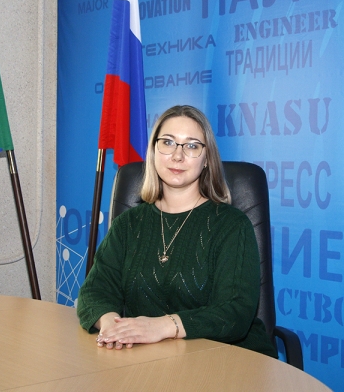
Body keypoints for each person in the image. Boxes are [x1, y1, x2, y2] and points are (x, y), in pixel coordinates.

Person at [77, 105, 277, 358]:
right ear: (153, 151)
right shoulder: (128, 224)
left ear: (207, 159)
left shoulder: (232, 225)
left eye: (192, 146)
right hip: (149, 358)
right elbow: (94, 292)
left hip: (228, 359)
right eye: (168, 142)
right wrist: (111, 326)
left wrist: (162, 326)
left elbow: (235, 312)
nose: (177, 156)